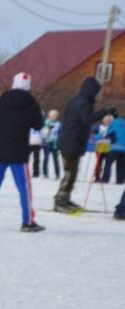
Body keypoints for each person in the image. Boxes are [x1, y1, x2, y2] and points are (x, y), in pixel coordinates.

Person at [0, 72, 44, 232]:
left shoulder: (0, 102)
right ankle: (27, 221)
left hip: (0, 151)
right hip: (19, 153)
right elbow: (38, 124)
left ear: (14, 83)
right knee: (24, 188)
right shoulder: (31, 103)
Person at [54, 76, 115, 212]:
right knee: (70, 173)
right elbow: (88, 119)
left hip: (70, 140)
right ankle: (60, 201)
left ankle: (65, 198)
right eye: (96, 91)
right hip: (71, 141)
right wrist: (105, 112)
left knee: (72, 172)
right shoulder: (83, 103)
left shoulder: (76, 101)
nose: (96, 95)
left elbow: (80, 121)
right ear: (91, 91)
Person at [99, 113, 125, 183]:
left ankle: (105, 179)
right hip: (124, 150)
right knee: (121, 166)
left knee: (108, 164)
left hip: (114, 148)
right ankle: (120, 181)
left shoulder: (113, 124)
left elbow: (106, 134)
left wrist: (95, 136)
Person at [42, 109, 61, 179]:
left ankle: (57, 174)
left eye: (55, 116)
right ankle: (45, 173)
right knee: (46, 158)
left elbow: (60, 133)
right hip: (47, 142)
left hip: (55, 143)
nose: (53, 117)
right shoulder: (46, 122)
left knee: (55, 159)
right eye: (52, 116)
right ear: (49, 116)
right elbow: (43, 133)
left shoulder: (58, 124)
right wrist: (47, 130)